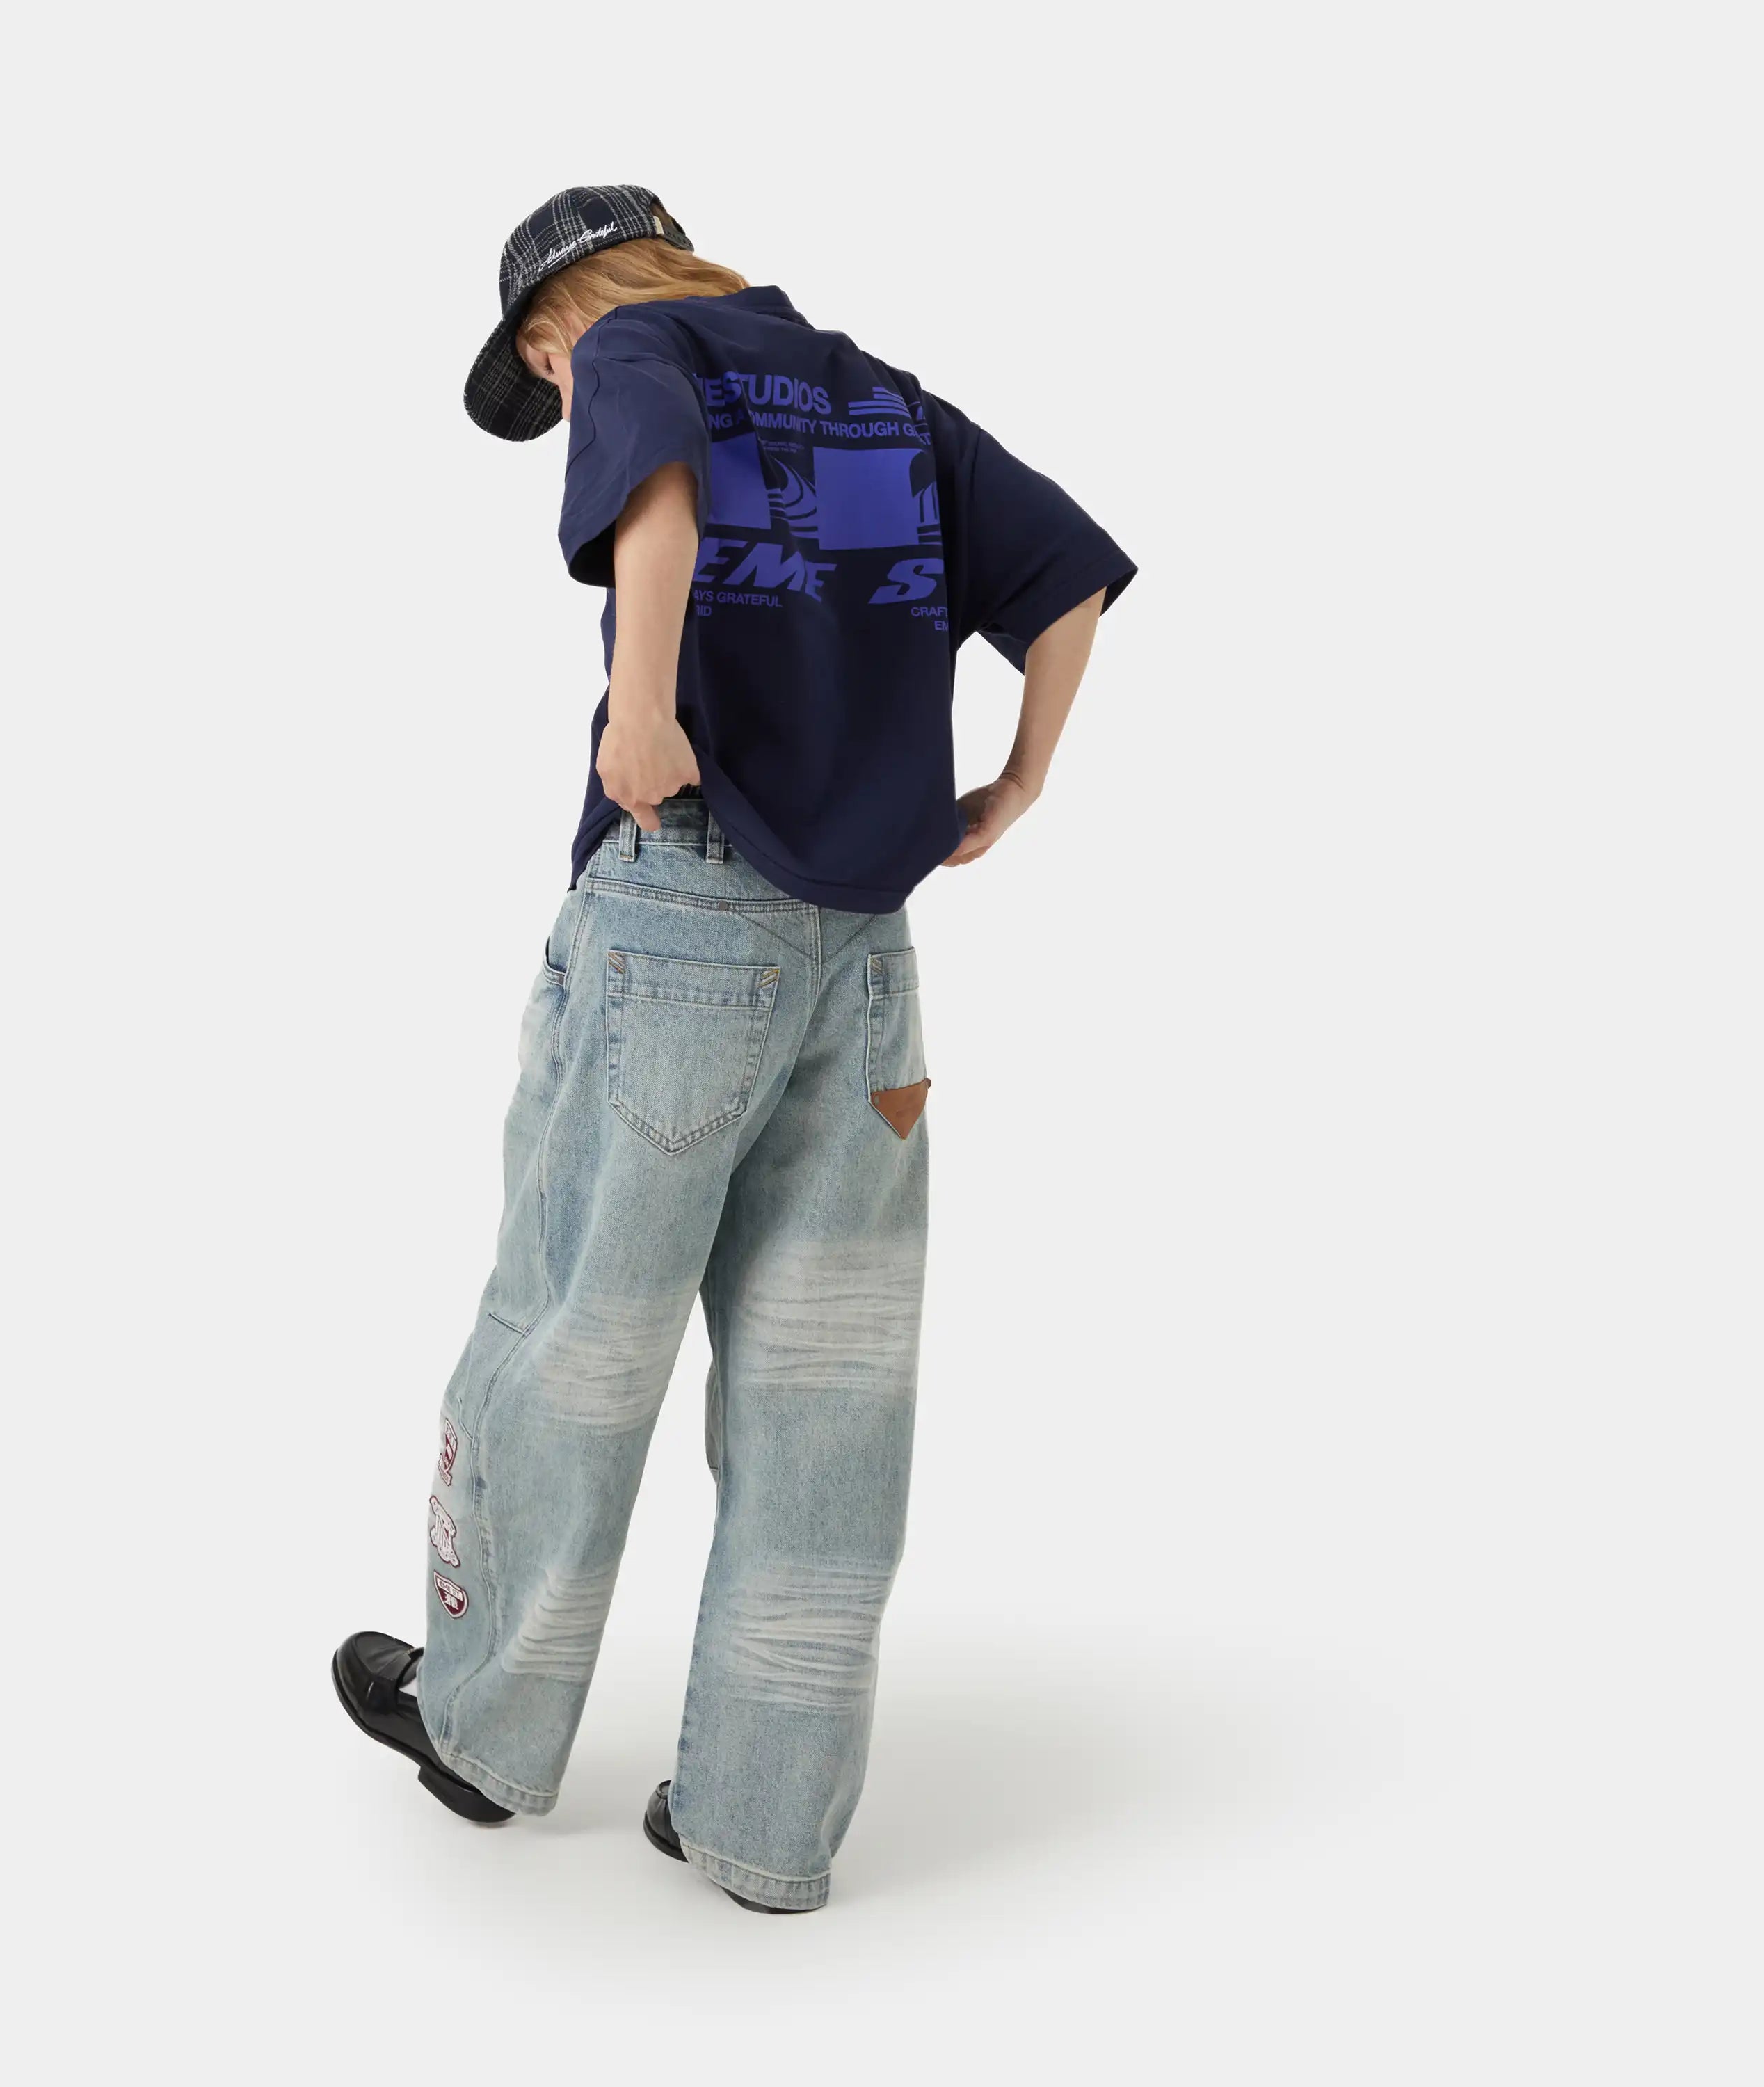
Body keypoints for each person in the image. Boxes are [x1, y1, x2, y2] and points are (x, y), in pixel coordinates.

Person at [334, 185, 1136, 1913]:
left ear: (557, 323)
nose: (564, 396)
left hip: (686, 909)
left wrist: (641, 712)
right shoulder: (880, 398)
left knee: (576, 1329)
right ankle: (764, 1826)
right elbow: (1066, 576)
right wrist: (1021, 778)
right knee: (826, 1386)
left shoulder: (637, 345)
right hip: (868, 962)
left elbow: (661, 494)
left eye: (544, 374)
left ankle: (483, 1730)